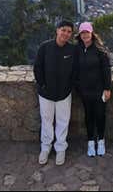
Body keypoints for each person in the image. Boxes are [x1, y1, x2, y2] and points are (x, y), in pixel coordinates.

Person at [33, 20, 76, 166]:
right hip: (46, 93)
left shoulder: (72, 50)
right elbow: (37, 67)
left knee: (63, 121)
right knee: (46, 121)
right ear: (57, 30)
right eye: (63, 30)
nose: (65, 33)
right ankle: (45, 147)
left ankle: (60, 148)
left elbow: (75, 71)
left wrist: (69, 86)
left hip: (64, 94)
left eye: (69, 32)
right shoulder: (45, 47)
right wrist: (42, 85)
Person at [74, 22, 112, 157]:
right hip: (85, 91)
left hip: (99, 90)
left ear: (92, 34)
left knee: (100, 115)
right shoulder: (76, 50)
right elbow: (74, 70)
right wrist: (78, 87)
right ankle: (90, 142)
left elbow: (106, 71)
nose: (85, 35)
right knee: (88, 116)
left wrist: (107, 88)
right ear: (80, 35)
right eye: (82, 33)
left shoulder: (100, 50)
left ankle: (101, 141)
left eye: (87, 32)